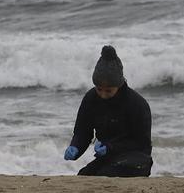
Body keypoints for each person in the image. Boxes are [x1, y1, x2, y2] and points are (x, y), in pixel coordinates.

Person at [63, 45, 152, 177]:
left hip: (137, 158)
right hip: (108, 157)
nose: (103, 94)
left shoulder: (137, 104)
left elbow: (141, 143)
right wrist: (75, 146)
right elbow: (83, 132)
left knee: (107, 175)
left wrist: (110, 147)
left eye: (109, 90)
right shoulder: (90, 98)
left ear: (119, 85)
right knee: (83, 177)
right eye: (99, 89)